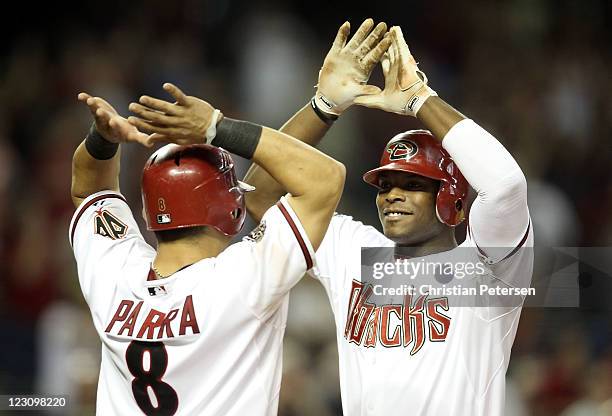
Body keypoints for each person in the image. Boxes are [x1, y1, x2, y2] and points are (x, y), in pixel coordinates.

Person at [242, 23, 534, 415]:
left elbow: (506, 186)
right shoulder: (355, 252)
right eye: (385, 185)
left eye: (412, 184)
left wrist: (419, 98)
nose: (392, 194)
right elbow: (258, 195)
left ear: (450, 198)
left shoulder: (487, 270)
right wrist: (323, 107)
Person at [70, 83, 345, 415]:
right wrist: (215, 127)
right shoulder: (241, 280)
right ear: (233, 212)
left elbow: (89, 188)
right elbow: (325, 178)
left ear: (146, 213)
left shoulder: (114, 274)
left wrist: (103, 138)